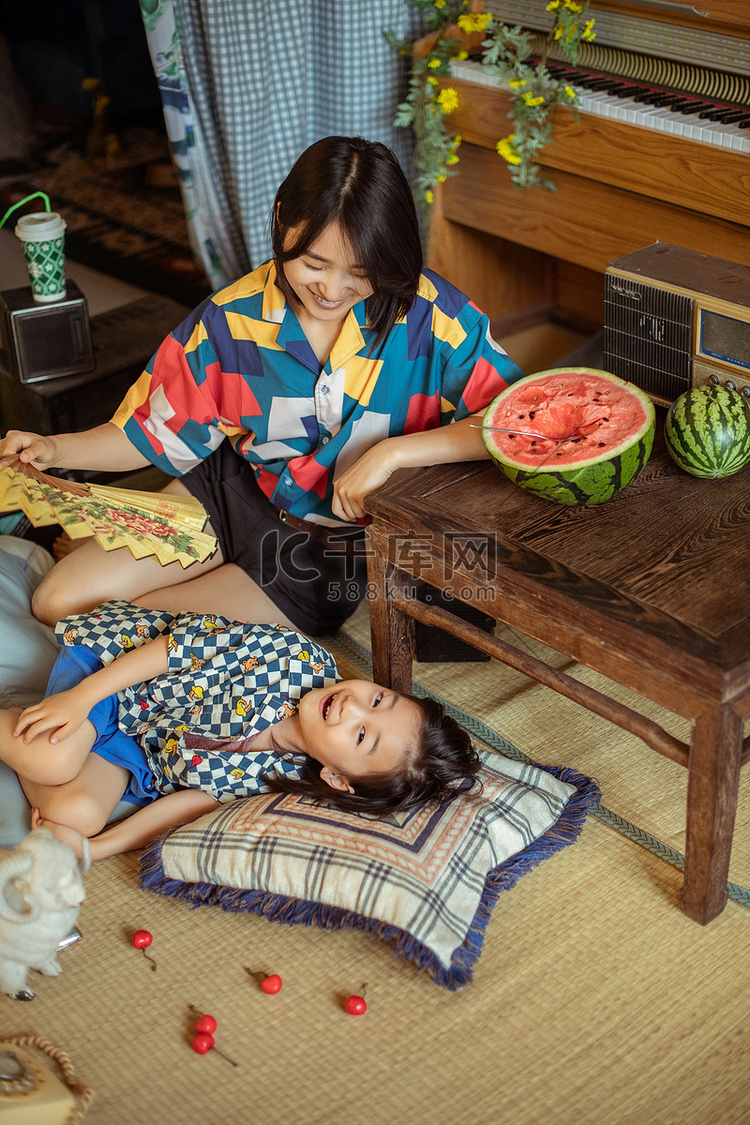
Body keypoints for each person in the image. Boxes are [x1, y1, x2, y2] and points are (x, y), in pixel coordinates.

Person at [0, 135, 524, 635]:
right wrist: (52, 447)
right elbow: (147, 431)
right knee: (57, 603)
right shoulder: (229, 320)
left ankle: (180, 582)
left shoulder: (433, 314)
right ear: (281, 220)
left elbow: (517, 425)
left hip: (326, 554)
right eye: (314, 263)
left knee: (123, 627)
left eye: (360, 272)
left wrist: (391, 453)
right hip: (228, 492)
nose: (332, 289)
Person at [0, 601, 479, 862]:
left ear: (336, 777)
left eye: (360, 736)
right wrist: (81, 698)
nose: (352, 706)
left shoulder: (274, 778)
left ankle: (36, 736)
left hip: (137, 746)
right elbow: (174, 648)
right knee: (53, 760)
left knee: (79, 817)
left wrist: (95, 847)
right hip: (117, 677)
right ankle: (36, 724)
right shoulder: (294, 659)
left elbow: (188, 803)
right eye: (378, 699)